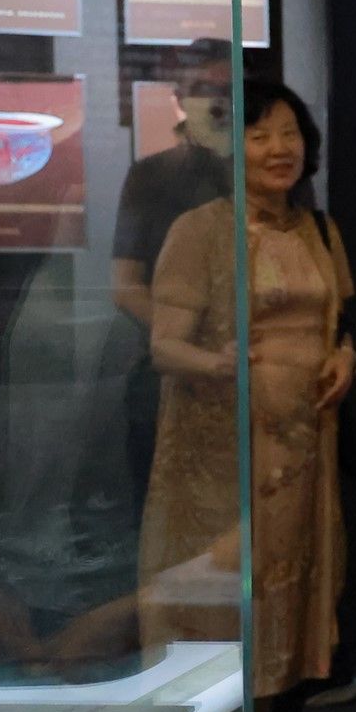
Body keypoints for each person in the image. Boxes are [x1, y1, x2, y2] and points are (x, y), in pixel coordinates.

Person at [138, 81, 355, 712]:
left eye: (290, 132)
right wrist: (221, 363)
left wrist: (345, 358)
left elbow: (337, 327)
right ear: (230, 149)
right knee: (217, 626)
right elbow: (164, 346)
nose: (278, 148)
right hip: (221, 467)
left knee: (277, 622)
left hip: (302, 462)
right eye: (259, 134)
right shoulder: (200, 230)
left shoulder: (319, 228)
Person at [111, 38, 234, 507]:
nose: (217, 101)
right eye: (203, 88)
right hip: (170, 380)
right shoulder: (150, 177)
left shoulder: (271, 175)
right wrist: (189, 346)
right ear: (180, 97)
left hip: (250, 374)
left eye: (229, 89)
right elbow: (126, 286)